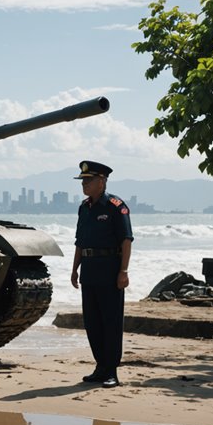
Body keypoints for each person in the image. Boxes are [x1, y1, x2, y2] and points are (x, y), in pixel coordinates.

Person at [70, 160, 133, 388]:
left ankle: (111, 372)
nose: (84, 184)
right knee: (92, 322)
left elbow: (126, 240)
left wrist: (123, 271)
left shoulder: (116, 206)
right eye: (83, 181)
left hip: (110, 269)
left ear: (102, 181)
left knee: (111, 322)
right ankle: (100, 367)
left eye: (89, 180)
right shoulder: (84, 208)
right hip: (89, 269)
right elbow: (80, 241)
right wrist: (75, 268)